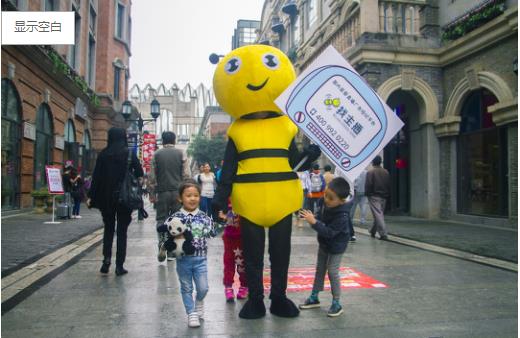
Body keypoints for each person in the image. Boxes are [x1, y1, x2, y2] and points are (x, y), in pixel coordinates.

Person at [156, 181, 222, 328]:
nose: (192, 199)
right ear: (180, 198)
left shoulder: (204, 217)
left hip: (201, 259)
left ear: (200, 197)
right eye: (188, 196)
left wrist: (221, 220)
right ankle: (191, 313)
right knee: (186, 288)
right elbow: (164, 232)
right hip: (183, 260)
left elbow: (212, 232)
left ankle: (199, 300)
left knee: (203, 288)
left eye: (196, 195)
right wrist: (165, 246)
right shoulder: (175, 218)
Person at [87, 127, 143, 276]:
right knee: (122, 231)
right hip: (124, 198)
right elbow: (140, 173)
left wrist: (91, 197)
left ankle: (106, 261)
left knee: (108, 229)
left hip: (106, 199)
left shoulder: (103, 154)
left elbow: (96, 178)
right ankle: (119, 266)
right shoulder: (129, 153)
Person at [298, 177, 351, 317]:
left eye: (331, 198)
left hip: (337, 246)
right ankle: (314, 297)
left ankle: (336, 303)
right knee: (320, 269)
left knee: (332, 272)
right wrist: (312, 217)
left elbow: (329, 232)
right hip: (324, 243)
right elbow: (320, 219)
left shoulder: (343, 216)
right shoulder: (323, 202)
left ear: (342, 201)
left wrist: (314, 222)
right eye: (325, 194)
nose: (326, 199)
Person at [148, 131, 189, 262]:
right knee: (175, 221)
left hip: (162, 192)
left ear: (163, 141)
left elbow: (152, 177)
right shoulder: (181, 153)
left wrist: (151, 193)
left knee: (161, 219)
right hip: (177, 193)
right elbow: (186, 174)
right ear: (174, 140)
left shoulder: (156, 154)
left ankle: (162, 243)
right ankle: (171, 252)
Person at [219, 200, 248, 302]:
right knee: (228, 263)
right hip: (229, 237)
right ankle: (228, 287)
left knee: (242, 264)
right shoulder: (226, 197)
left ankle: (244, 286)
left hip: (242, 237)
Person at [365, 155, 391, 240]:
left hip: (374, 195)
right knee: (379, 214)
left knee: (378, 214)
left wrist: (368, 194)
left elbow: (368, 184)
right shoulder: (386, 172)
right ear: (381, 162)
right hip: (384, 195)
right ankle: (373, 230)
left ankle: (383, 234)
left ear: (372, 162)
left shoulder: (370, 172)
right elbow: (388, 184)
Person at [350, 167, 369, 239]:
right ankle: (363, 219)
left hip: (357, 191)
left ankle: (350, 219)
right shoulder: (366, 172)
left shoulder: (356, 172)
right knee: (363, 205)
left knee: (353, 205)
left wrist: (354, 188)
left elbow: (356, 182)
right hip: (364, 190)